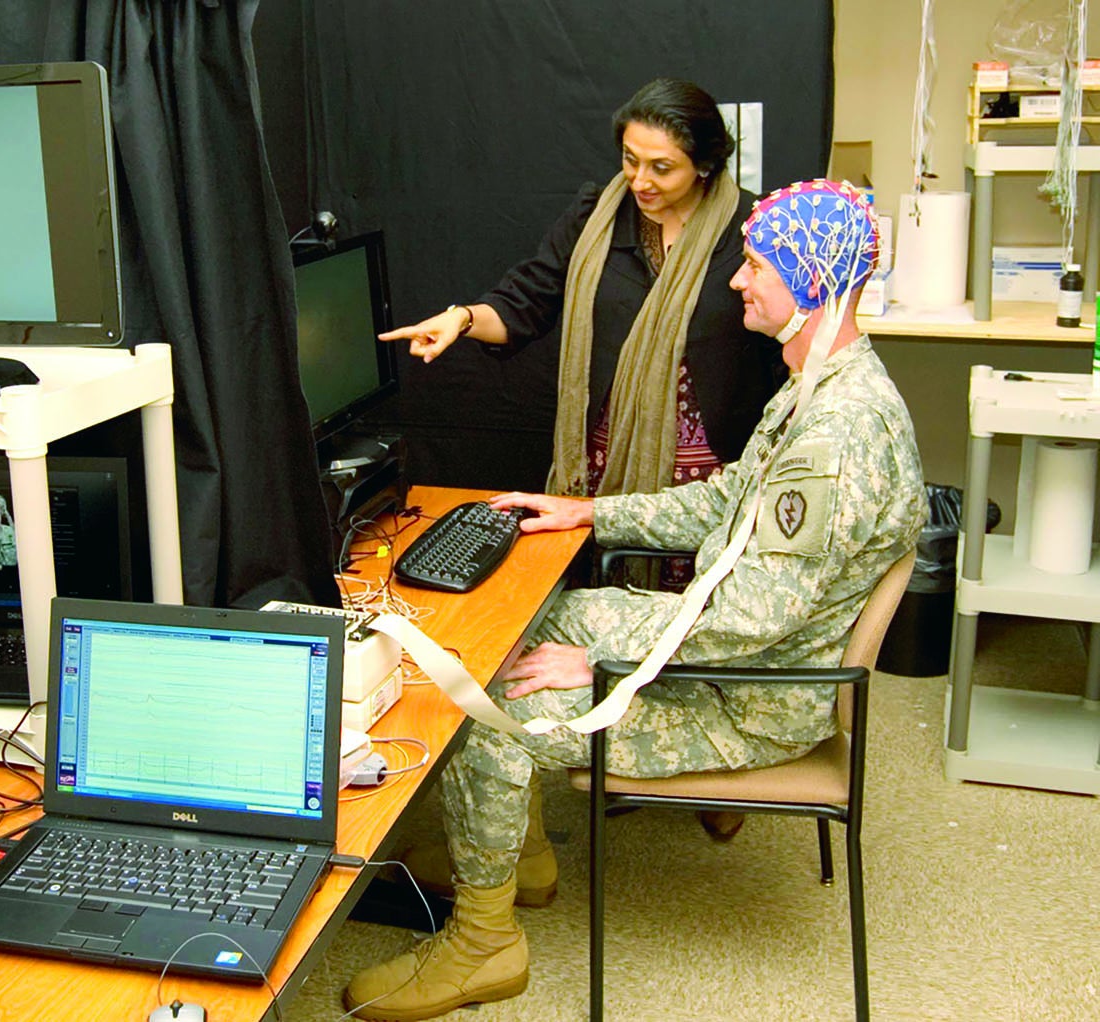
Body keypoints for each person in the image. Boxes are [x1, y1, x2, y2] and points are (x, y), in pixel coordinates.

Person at [342, 179, 928, 1021]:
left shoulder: (837, 436)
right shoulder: (820, 388)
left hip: (751, 697)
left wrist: (606, 662)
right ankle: (522, 853)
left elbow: (760, 619)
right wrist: (589, 511)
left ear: (810, 282)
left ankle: (483, 943)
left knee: (496, 705)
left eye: (755, 266)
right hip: (737, 645)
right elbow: (726, 504)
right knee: (524, 629)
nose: (736, 280)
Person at [380, 78, 786, 502]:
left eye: (661, 168)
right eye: (630, 159)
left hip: (715, 478)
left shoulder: (755, 230)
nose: (640, 180)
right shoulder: (598, 221)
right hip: (603, 468)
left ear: (704, 164)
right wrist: (460, 319)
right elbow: (527, 300)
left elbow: (785, 350)